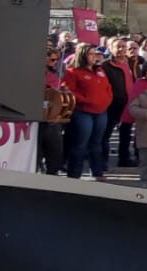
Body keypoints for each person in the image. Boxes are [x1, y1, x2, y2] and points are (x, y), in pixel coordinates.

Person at [60, 45, 114, 180]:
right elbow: (68, 90)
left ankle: (97, 172)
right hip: (83, 112)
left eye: (94, 54)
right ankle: (74, 174)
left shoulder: (100, 70)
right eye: (90, 54)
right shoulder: (73, 72)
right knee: (80, 144)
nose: (94, 56)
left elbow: (108, 87)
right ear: (83, 55)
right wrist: (85, 99)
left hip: (101, 111)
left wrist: (107, 100)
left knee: (97, 143)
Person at [39, 44, 72, 175]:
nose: (55, 62)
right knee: (40, 151)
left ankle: (52, 172)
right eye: (52, 60)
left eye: (57, 60)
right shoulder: (37, 73)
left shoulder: (56, 74)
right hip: (40, 118)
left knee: (55, 152)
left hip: (54, 117)